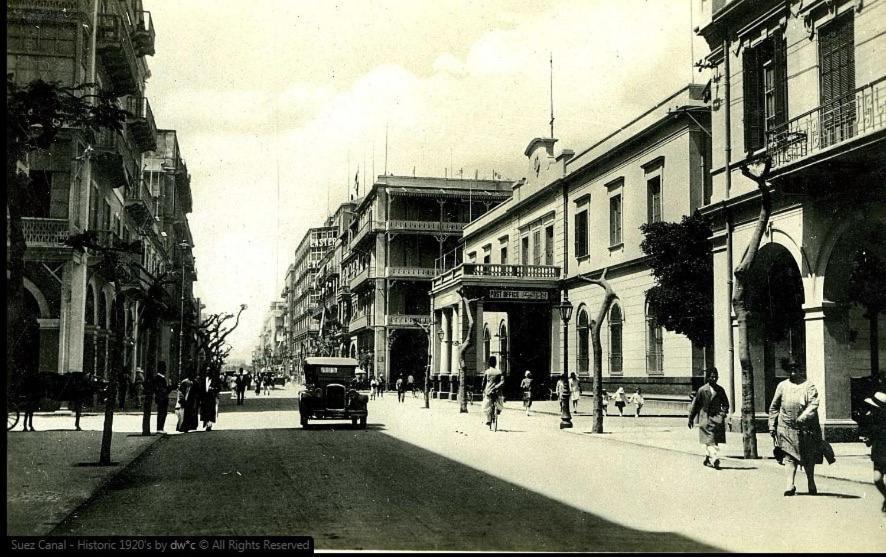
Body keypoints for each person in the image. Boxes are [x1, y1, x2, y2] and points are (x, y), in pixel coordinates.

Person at [768, 358, 823, 496]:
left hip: (806, 428)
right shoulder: (782, 386)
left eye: (796, 369)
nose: (793, 372)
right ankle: (790, 485)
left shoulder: (808, 386)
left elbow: (813, 405)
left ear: (800, 370)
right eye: (790, 370)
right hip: (786, 427)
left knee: (808, 457)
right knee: (789, 456)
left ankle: (811, 481)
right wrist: (772, 425)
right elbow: (774, 407)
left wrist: (803, 417)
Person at [688, 368, 730, 469]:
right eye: (712, 376)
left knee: (711, 440)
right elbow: (696, 405)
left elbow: (725, 404)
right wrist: (691, 418)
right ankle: (715, 458)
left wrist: (722, 415)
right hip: (705, 419)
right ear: (708, 378)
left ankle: (707, 459)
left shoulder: (720, 390)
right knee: (711, 439)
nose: (714, 378)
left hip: (717, 419)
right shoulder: (702, 390)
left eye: (716, 376)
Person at [858, 378, 886, 512]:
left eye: (874, 408)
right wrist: (867, 440)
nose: (870, 410)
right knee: (877, 479)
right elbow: (869, 438)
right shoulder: (872, 421)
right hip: (879, 452)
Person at [482, 356, 504, 429]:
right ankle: (497, 411)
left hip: (488, 390)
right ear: (495, 363)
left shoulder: (487, 371)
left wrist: (482, 389)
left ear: (489, 363)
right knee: (499, 401)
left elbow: (484, 382)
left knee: (487, 404)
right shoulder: (499, 372)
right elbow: (502, 381)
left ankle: (488, 420)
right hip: (497, 391)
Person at [154, 362, 170, 432]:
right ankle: (160, 428)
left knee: (162, 413)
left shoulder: (158, 378)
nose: (165, 370)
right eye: (164, 368)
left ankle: (160, 428)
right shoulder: (160, 378)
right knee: (162, 413)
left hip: (161, 398)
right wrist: (170, 387)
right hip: (162, 399)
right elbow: (164, 390)